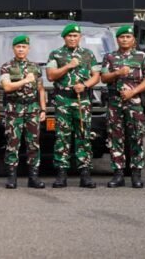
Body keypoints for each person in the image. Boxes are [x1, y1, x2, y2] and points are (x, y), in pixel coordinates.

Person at [46, 23, 101, 188]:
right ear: (64, 38)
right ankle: (61, 174)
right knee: (62, 137)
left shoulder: (88, 54)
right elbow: (50, 75)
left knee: (83, 135)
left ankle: (85, 174)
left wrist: (85, 85)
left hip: (82, 100)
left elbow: (96, 75)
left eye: (75, 36)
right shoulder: (56, 54)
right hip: (63, 100)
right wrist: (68, 66)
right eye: (69, 36)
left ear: (80, 37)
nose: (72, 38)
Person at [100, 25, 145, 188]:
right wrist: (117, 73)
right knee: (115, 138)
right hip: (115, 103)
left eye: (128, 37)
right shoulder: (109, 57)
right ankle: (118, 174)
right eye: (122, 37)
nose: (125, 40)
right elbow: (104, 77)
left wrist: (134, 92)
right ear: (117, 39)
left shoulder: (141, 57)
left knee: (136, 137)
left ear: (133, 40)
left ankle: (136, 174)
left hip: (135, 103)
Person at [0, 35, 46, 189]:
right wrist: (25, 80)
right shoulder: (7, 67)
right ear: (13, 49)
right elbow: (7, 87)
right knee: (12, 143)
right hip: (14, 109)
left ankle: (33, 177)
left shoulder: (35, 67)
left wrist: (43, 109)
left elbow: (40, 89)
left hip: (32, 109)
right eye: (18, 47)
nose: (21, 49)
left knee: (34, 144)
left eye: (24, 47)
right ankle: (11, 178)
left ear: (28, 49)